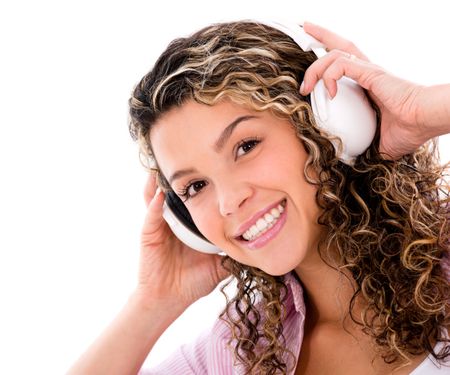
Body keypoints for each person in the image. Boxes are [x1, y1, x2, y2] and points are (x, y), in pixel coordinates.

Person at [67, 21, 450, 374]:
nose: (228, 202)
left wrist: (424, 111)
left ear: (325, 124)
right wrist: (154, 302)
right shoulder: (242, 352)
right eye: (195, 187)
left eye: (246, 146)